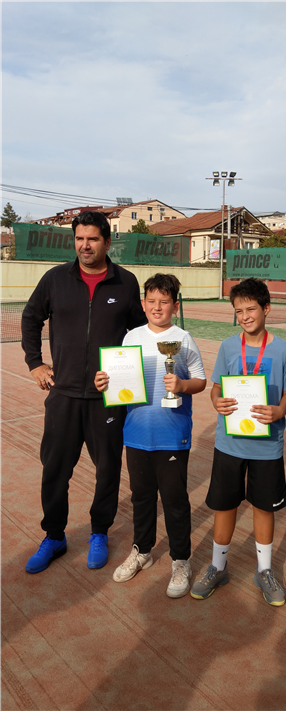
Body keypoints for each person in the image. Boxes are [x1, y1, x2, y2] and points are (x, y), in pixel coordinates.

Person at [22, 210, 146, 573]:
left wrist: (132, 377)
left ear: (106, 242)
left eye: (92, 239)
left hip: (108, 398)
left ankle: (99, 532)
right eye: (79, 238)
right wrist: (35, 363)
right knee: (55, 470)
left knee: (107, 470)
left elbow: (139, 333)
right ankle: (54, 536)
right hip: (62, 395)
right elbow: (30, 318)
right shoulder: (55, 279)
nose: (85, 245)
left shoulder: (125, 282)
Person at [95, 273, 206, 598]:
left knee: (174, 499)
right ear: (143, 304)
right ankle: (142, 551)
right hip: (137, 433)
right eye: (152, 301)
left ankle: (181, 560)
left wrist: (182, 385)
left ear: (175, 306)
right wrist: (105, 382)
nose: (158, 307)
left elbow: (200, 381)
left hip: (172, 434)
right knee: (141, 497)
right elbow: (120, 378)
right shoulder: (131, 337)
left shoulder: (183, 339)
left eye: (164, 302)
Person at [190, 278, 286, 605]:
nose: (245, 316)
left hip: (267, 445)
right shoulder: (227, 347)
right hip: (230, 444)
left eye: (251, 309)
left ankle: (264, 570)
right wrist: (216, 401)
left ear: (266, 308)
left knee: (264, 507)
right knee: (225, 505)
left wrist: (280, 410)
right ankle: (218, 567)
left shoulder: (282, 349)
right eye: (238, 311)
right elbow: (216, 388)